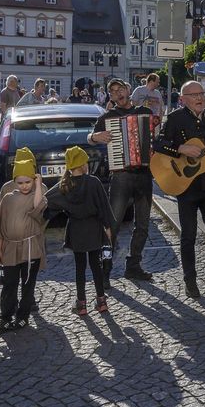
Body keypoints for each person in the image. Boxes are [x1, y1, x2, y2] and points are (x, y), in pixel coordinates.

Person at [155, 80, 205, 297]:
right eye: (194, 95)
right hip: (186, 186)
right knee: (189, 236)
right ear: (183, 99)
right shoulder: (175, 118)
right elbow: (159, 144)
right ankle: (190, 281)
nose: (200, 98)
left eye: (202, 93)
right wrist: (181, 148)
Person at [88, 78, 155, 281]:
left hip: (144, 174)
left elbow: (155, 140)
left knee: (142, 225)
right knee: (112, 225)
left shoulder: (145, 113)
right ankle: (105, 269)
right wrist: (94, 138)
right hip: (121, 176)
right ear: (110, 96)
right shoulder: (108, 117)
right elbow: (90, 137)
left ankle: (133, 265)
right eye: (113, 92)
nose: (118, 94)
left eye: (121, 89)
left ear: (128, 90)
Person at [46, 146, 111, 315]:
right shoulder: (94, 182)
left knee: (80, 267)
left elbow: (48, 202)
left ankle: (81, 304)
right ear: (83, 165)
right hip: (94, 227)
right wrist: (108, 228)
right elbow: (104, 206)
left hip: (76, 229)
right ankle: (101, 301)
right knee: (96, 265)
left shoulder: (64, 185)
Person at [0, 148, 47, 332]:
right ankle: (6, 316)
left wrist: (39, 184)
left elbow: (38, 208)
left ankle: (22, 316)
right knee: (9, 283)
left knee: (27, 283)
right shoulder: (8, 195)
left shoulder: (38, 193)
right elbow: (0, 221)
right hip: (10, 246)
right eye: (21, 182)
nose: (25, 185)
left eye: (28, 181)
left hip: (30, 246)